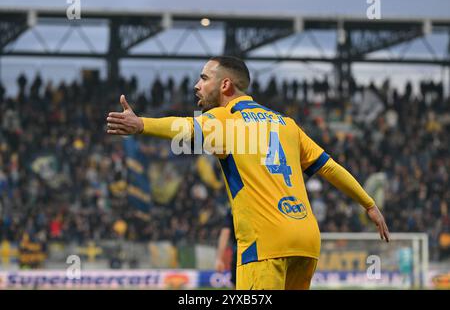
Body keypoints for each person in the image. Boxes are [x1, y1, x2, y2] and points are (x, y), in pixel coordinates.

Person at [106, 56, 390, 290]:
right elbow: (329, 166)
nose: (197, 85)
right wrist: (368, 203)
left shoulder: (226, 118)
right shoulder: (286, 124)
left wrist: (141, 124)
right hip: (306, 241)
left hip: (265, 244)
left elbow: (183, 129)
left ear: (225, 84)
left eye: (204, 78)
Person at [215, 208, 237, 289]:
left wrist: (219, 258)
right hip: (263, 253)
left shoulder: (233, 207)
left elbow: (225, 233)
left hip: (241, 252)